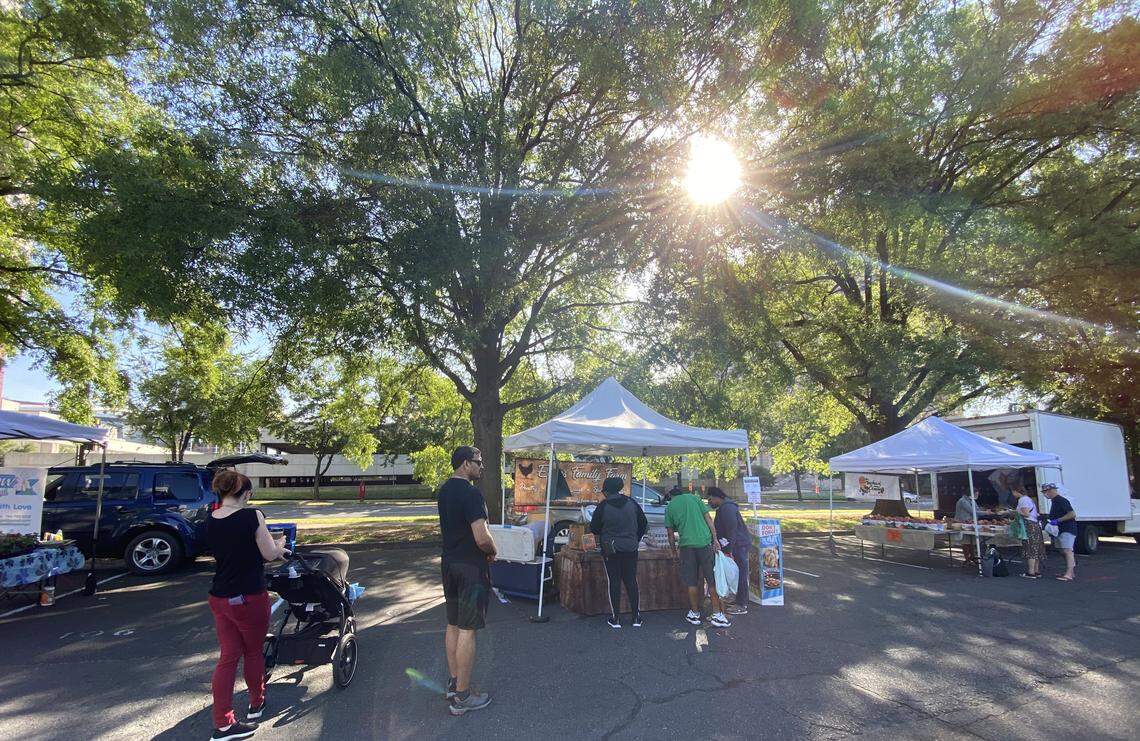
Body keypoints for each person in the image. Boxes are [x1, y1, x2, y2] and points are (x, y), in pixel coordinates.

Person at [207, 470, 286, 741]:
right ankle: (255, 703)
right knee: (253, 653)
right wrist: (280, 544)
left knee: (227, 658)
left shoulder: (212, 517)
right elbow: (269, 554)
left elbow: (234, 550)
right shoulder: (252, 516)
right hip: (249, 597)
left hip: (219, 597)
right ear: (247, 493)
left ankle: (223, 722)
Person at [438, 446, 497, 715]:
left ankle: (454, 683)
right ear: (465, 464)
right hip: (470, 568)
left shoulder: (444, 491)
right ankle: (462, 696)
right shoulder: (471, 494)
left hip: (449, 565)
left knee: (453, 623)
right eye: (478, 462)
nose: (481, 466)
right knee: (468, 629)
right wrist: (493, 551)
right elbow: (482, 537)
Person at [665, 486, 731, 628]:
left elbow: (670, 534)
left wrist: (673, 551)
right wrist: (715, 539)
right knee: (711, 580)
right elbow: (708, 519)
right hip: (705, 543)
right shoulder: (695, 498)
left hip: (687, 546)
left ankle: (695, 614)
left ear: (671, 497)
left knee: (691, 582)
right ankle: (717, 614)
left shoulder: (670, 507)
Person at [589, 476, 648, 628]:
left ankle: (616, 619)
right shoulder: (632, 503)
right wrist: (635, 538)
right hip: (631, 547)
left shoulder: (603, 506)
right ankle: (636, 617)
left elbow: (594, 528)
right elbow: (643, 523)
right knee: (631, 581)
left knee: (614, 581)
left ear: (607, 492)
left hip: (611, 549)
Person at [706, 487, 750, 615]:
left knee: (741, 573)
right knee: (737, 573)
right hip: (736, 544)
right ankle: (739, 599)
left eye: (710, 499)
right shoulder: (725, 507)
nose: (709, 502)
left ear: (716, 497)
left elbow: (732, 530)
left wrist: (727, 548)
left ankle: (741, 604)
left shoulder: (727, 508)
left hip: (738, 545)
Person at [1041, 482, 1077, 581]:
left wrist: (1058, 520)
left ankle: (1069, 574)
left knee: (1067, 550)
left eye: (1045, 492)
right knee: (1062, 550)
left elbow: (1072, 514)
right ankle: (1071, 571)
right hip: (1059, 530)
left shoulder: (1061, 500)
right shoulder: (1054, 501)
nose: (1045, 494)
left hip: (1067, 529)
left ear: (1051, 491)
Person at [1015, 485, 1044, 579]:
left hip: (1029, 525)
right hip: (1035, 524)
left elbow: (1026, 513)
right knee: (1036, 547)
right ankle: (1036, 570)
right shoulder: (1028, 499)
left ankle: (1031, 572)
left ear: (1016, 491)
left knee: (1030, 547)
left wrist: (1014, 511)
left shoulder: (1022, 500)